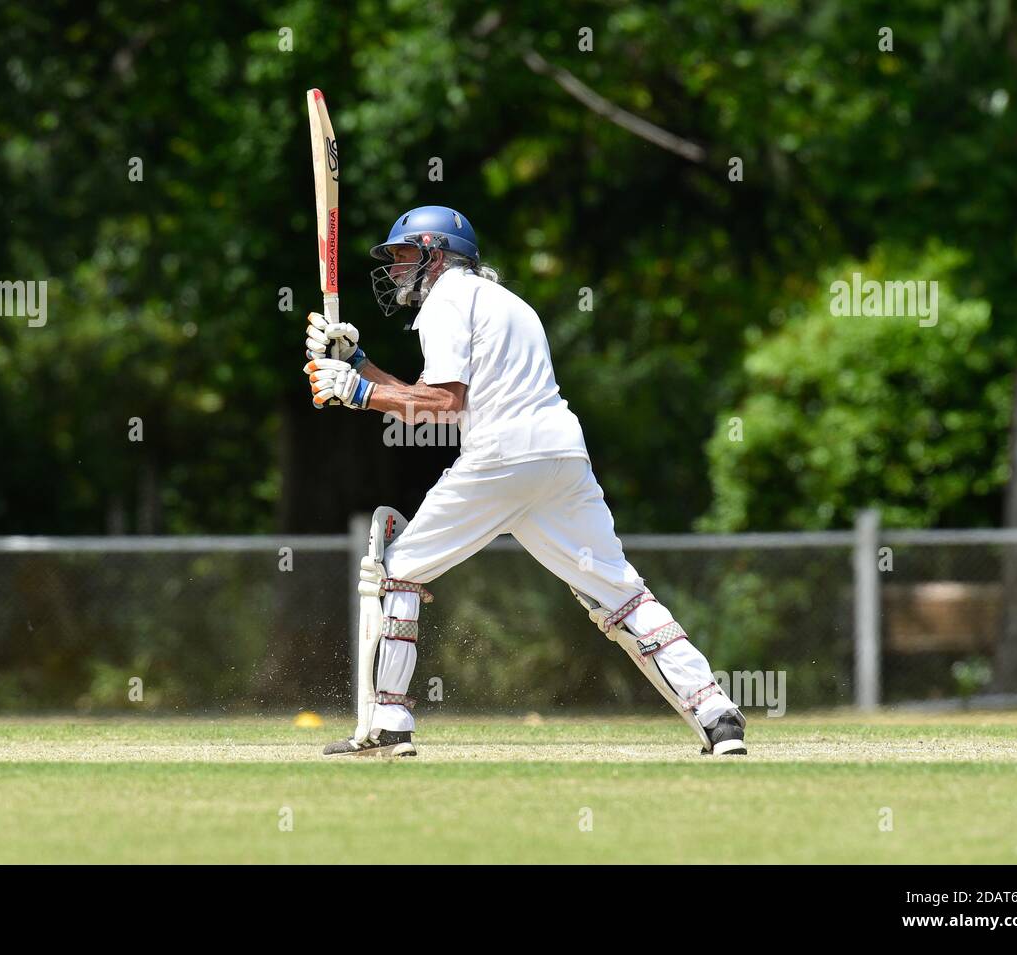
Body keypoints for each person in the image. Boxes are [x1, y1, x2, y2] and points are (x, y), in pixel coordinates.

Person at [303, 205, 746, 757]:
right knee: (619, 592)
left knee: (396, 570)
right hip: (560, 456)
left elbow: (442, 403)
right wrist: (360, 363)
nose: (394, 270)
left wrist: (358, 392)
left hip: (501, 456)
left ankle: (389, 723)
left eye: (403, 256)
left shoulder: (444, 301)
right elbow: (429, 392)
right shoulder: (507, 301)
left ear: (435, 255)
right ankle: (717, 714)